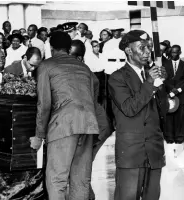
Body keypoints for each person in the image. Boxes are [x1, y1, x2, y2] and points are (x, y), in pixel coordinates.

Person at [30, 31, 99, 199]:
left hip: (64, 125)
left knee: (56, 179)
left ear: (51, 47)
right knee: (81, 180)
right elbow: (94, 91)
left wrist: (39, 135)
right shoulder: (84, 67)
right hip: (88, 125)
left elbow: (44, 104)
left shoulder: (46, 66)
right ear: (69, 48)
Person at [108, 30, 168, 200]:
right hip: (131, 152)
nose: (147, 52)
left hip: (154, 150)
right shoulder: (117, 78)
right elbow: (129, 108)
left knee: (152, 196)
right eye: (142, 48)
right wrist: (150, 83)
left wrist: (162, 85)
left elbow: (164, 111)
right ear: (128, 50)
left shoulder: (152, 75)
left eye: (148, 47)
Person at [164, 45, 184, 144]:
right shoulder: (165, 64)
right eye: (172, 52)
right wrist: (171, 89)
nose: (173, 54)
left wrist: (177, 90)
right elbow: (164, 79)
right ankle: (169, 137)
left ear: (180, 52)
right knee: (169, 115)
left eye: (175, 52)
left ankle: (179, 137)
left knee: (180, 116)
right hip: (169, 93)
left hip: (180, 94)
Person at [85, 40, 106, 106]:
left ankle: (100, 106)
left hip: (102, 75)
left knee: (102, 92)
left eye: (98, 46)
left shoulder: (102, 55)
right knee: (95, 92)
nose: (97, 48)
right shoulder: (88, 56)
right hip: (94, 75)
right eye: (94, 46)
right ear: (91, 47)